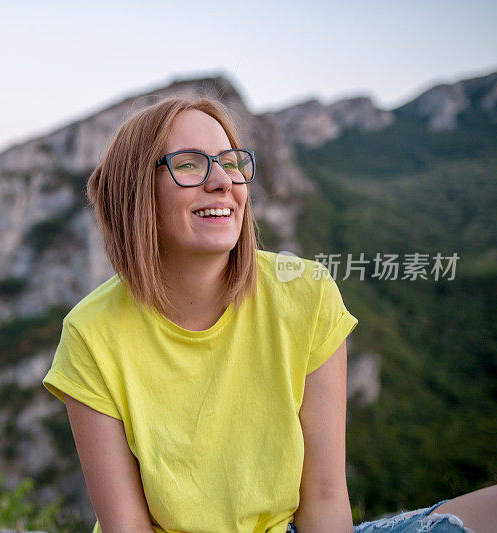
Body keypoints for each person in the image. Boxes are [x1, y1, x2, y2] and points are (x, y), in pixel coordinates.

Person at [41, 96, 495, 532]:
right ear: (135, 192)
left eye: (232, 162)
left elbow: (322, 495)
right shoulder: (91, 334)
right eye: (188, 164)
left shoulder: (305, 294)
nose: (224, 181)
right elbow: (128, 528)